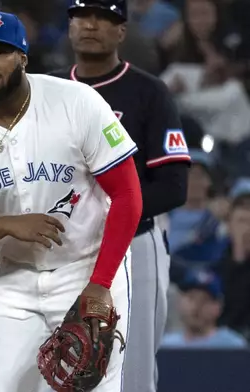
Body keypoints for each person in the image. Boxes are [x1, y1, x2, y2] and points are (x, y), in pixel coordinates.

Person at [0, 10, 142, 392]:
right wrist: (4, 225)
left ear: (22, 57)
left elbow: (128, 196)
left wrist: (101, 283)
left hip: (87, 266)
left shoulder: (76, 103)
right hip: (13, 277)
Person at [49, 2, 191, 391]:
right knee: (60, 365)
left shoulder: (148, 92)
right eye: (82, 16)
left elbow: (173, 186)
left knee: (132, 371)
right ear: (70, 26)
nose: (91, 25)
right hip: (62, 249)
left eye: (104, 18)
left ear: (121, 32)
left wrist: (107, 212)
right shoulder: (47, 90)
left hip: (134, 245)